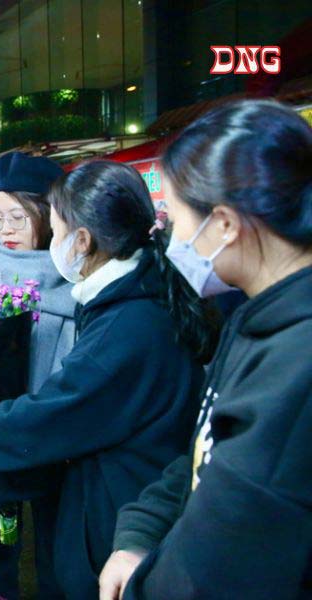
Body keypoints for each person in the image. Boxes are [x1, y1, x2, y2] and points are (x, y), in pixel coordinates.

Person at [0, 160, 220, 599]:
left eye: (57, 230)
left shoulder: (127, 324)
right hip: (121, 502)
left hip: (119, 516)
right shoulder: (133, 295)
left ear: (81, 240)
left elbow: (47, 416)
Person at [100, 100, 312, 600]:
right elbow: (208, 454)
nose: (171, 241)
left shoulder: (295, 365)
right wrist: (141, 532)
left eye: (173, 220)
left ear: (223, 224)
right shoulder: (253, 317)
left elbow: (218, 565)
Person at [0, 152, 75, 600]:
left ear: (47, 218)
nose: (4, 229)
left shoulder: (76, 277)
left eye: (18, 217)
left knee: (57, 558)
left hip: (61, 441)